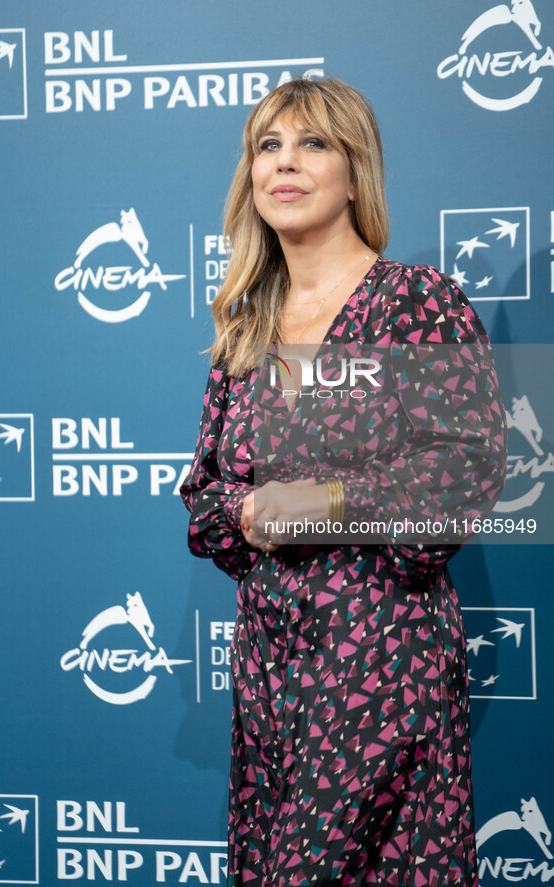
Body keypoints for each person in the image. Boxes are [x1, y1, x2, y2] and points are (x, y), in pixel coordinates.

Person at [180, 77, 507, 887]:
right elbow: (206, 492)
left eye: (313, 143)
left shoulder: (415, 302)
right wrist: (247, 511)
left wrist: (321, 502)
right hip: (267, 664)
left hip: (381, 659)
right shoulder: (246, 327)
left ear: (354, 172)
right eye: (268, 146)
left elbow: (465, 464)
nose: (284, 164)